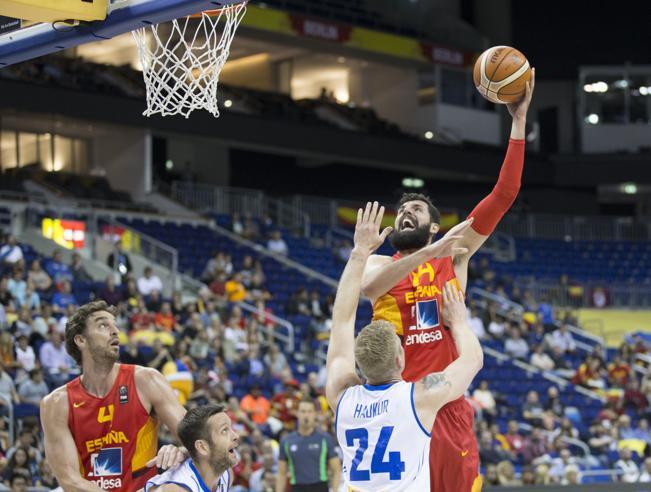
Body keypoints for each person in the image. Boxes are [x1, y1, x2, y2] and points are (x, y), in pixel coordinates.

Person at [362, 73, 534, 492]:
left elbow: (504, 193)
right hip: (397, 405)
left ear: (435, 227)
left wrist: (517, 123)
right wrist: (427, 254)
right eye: (402, 210)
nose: (406, 212)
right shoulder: (375, 264)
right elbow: (369, 289)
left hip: (446, 403)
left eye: (417, 209)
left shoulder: (455, 253)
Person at [326, 202, 483, 491]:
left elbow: (341, 320)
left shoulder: (342, 398)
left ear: (358, 366)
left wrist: (360, 252)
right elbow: (473, 358)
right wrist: (459, 323)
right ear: (401, 358)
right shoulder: (419, 397)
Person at [40, 300, 188, 491]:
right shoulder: (56, 403)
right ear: (81, 340)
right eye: (103, 325)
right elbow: (70, 480)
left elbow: (198, 442)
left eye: (115, 325)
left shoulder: (147, 380)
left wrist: (181, 451)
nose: (115, 331)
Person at [145, 404, 238, 492]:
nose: (236, 436)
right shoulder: (178, 489)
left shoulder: (226, 474)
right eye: (224, 430)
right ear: (202, 447)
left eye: (231, 428)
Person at [276, 398, 340, 492]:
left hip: (320, 487)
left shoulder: (325, 439)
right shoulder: (286, 441)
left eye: (310, 411)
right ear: (297, 413)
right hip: (297, 488)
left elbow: (336, 470)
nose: (306, 415)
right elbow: (282, 473)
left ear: (315, 414)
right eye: (303, 411)